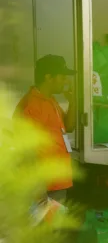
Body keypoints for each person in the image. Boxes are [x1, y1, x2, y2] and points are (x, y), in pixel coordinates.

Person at [14, 54, 76, 203]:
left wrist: (73, 102)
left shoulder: (50, 100)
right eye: (62, 77)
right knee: (47, 226)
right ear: (49, 77)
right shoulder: (31, 105)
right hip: (45, 187)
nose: (66, 81)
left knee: (56, 225)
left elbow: (68, 127)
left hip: (58, 182)